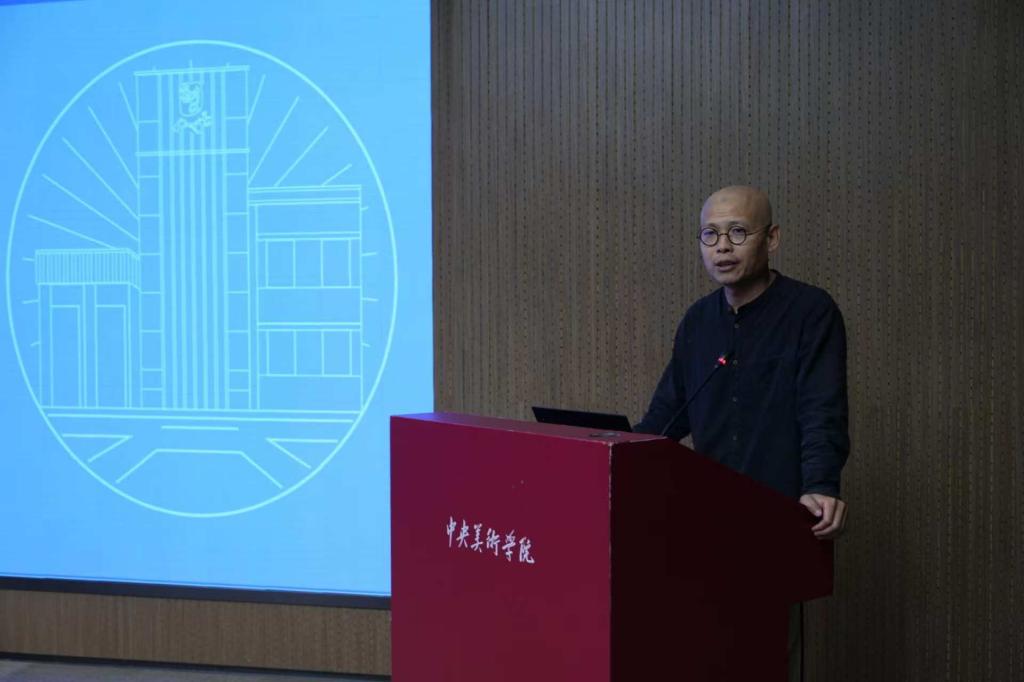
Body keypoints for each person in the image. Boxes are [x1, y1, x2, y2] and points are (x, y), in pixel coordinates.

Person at [634, 185, 849, 681]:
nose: (723, 247)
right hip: (703, 519)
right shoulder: (698, 321)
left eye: (737, 232)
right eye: (710, 235)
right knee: (705, 652)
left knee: (766, 655)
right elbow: (667, 415)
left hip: (773, 517)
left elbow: (822, 409)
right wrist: (616, 454)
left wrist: (821, 484)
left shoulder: (810, 312)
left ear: (771, 239)